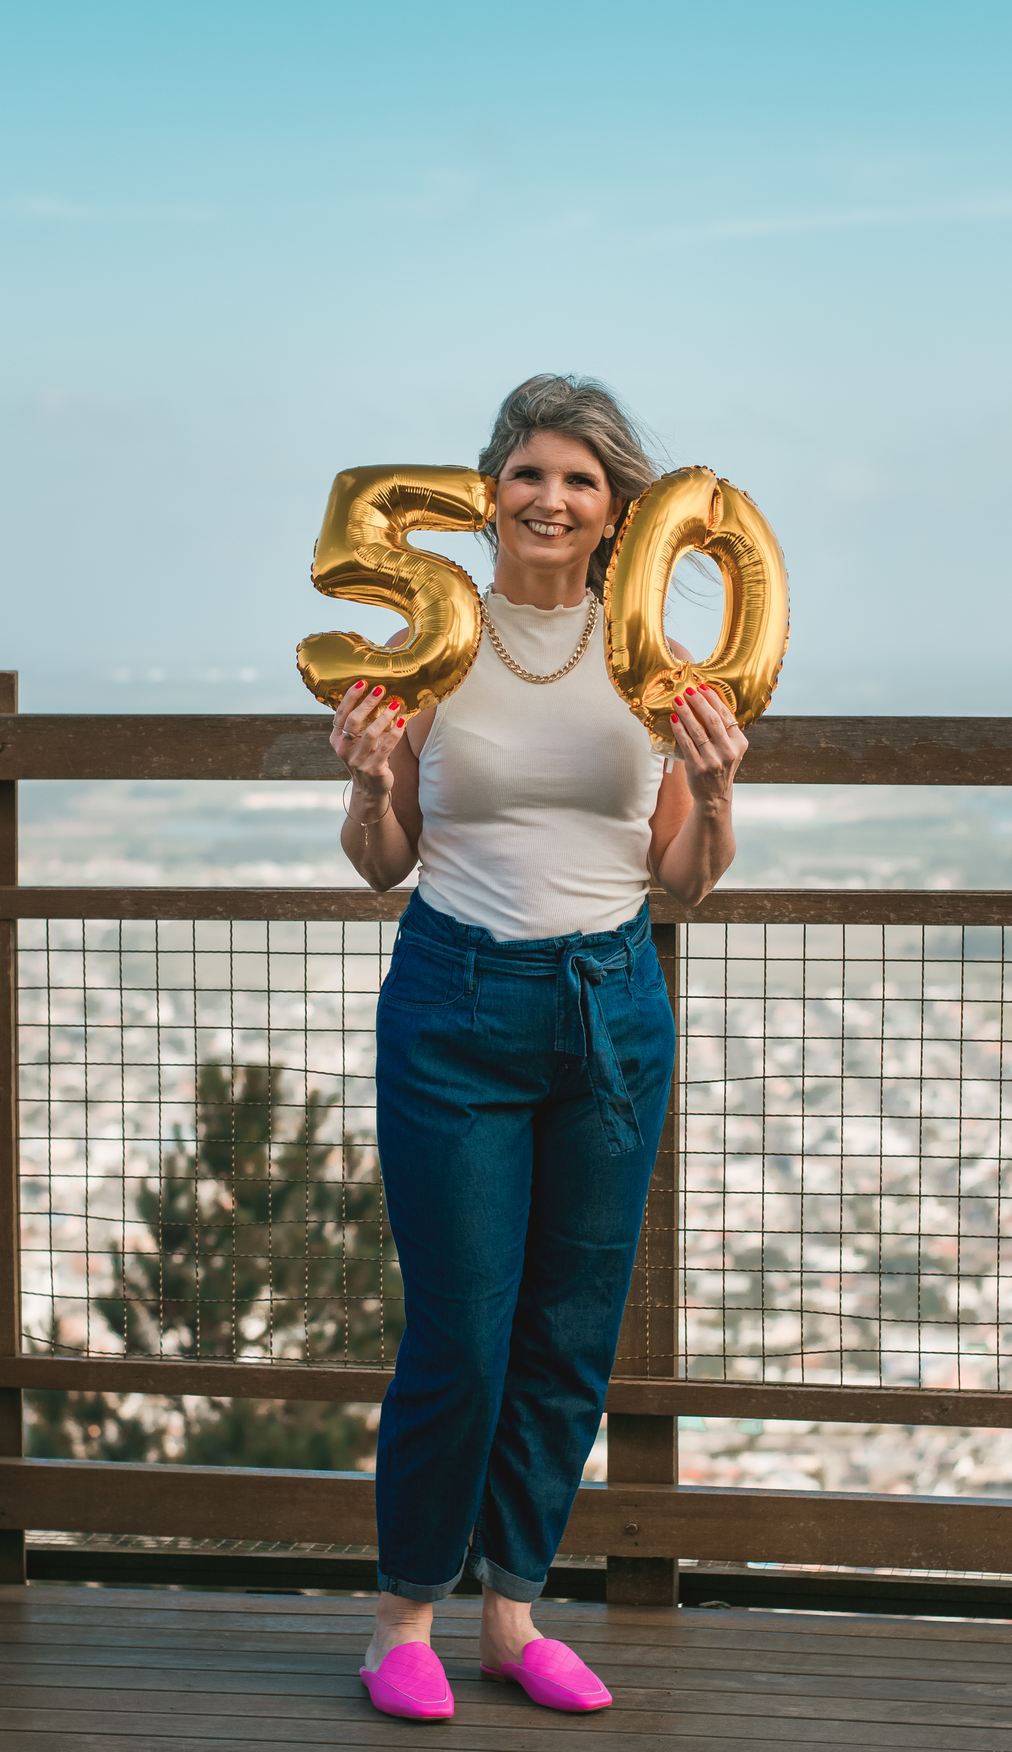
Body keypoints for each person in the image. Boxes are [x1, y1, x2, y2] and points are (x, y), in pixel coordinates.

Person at [332, 374, 748, 1721]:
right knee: (460, 1331)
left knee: (570, 1333)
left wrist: (722, 785)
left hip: (612, 1006)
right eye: (527, 472)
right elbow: (380, 867)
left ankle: (512, 1613)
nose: (550, 497)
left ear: (617, 506)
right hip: (456, 1001)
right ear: (487, 491)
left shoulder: (653, 663)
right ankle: (404, 1619)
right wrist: (374, 783)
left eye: (578, 477)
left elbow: (682, 880)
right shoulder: (433, 646)